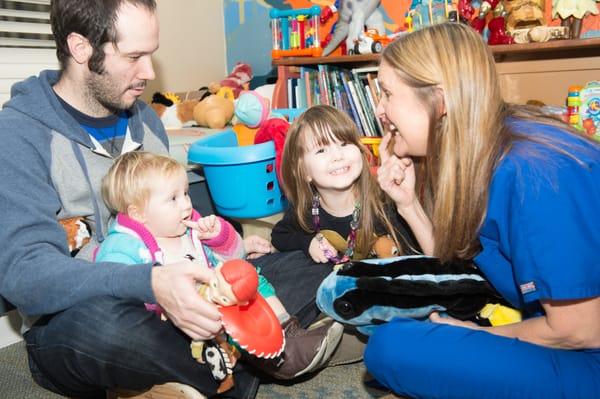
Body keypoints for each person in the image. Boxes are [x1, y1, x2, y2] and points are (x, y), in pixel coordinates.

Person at [0, 0, 261, 397]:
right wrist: (150, 284)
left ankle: (185, 373)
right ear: (80, 47)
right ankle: (232, 367)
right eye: (134, 56)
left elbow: (179, 217)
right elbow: (26, 275)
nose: (150, 73)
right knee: (103, 327)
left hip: (163, 299)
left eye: (151, 54)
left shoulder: (147, 121)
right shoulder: (18, 134)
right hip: (75, 321)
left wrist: (223, 252)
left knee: (278, 263)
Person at [364, 22, 600, 399]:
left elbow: (581, 330)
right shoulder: (486, 146)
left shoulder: (533, 172)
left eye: (387, 94)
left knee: (390, 347)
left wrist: (481, 335)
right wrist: (408, 203)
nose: (379, 110)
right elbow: (463, 263)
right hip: (557, 328)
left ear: (440, 102)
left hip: (589, 353)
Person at [96, 151, 343, 380]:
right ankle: (275, 358)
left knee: (252, 275)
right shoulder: (123, 247)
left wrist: (219, 237)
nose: (186, 205)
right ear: (138, 214)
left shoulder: (190, 228)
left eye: (185, 193)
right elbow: (116, 299)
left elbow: (235, 255)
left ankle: (287, 334)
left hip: (220, 306)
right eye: (173, 198)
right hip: (176, 328)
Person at [271, 104, 421, 264]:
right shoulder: (306, 211)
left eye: (344, 144)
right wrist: (307, 243)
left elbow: (418, 253)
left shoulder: (383, 203)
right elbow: (279, 236)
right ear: (303, 171)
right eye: (321, 150)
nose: (337, 155)